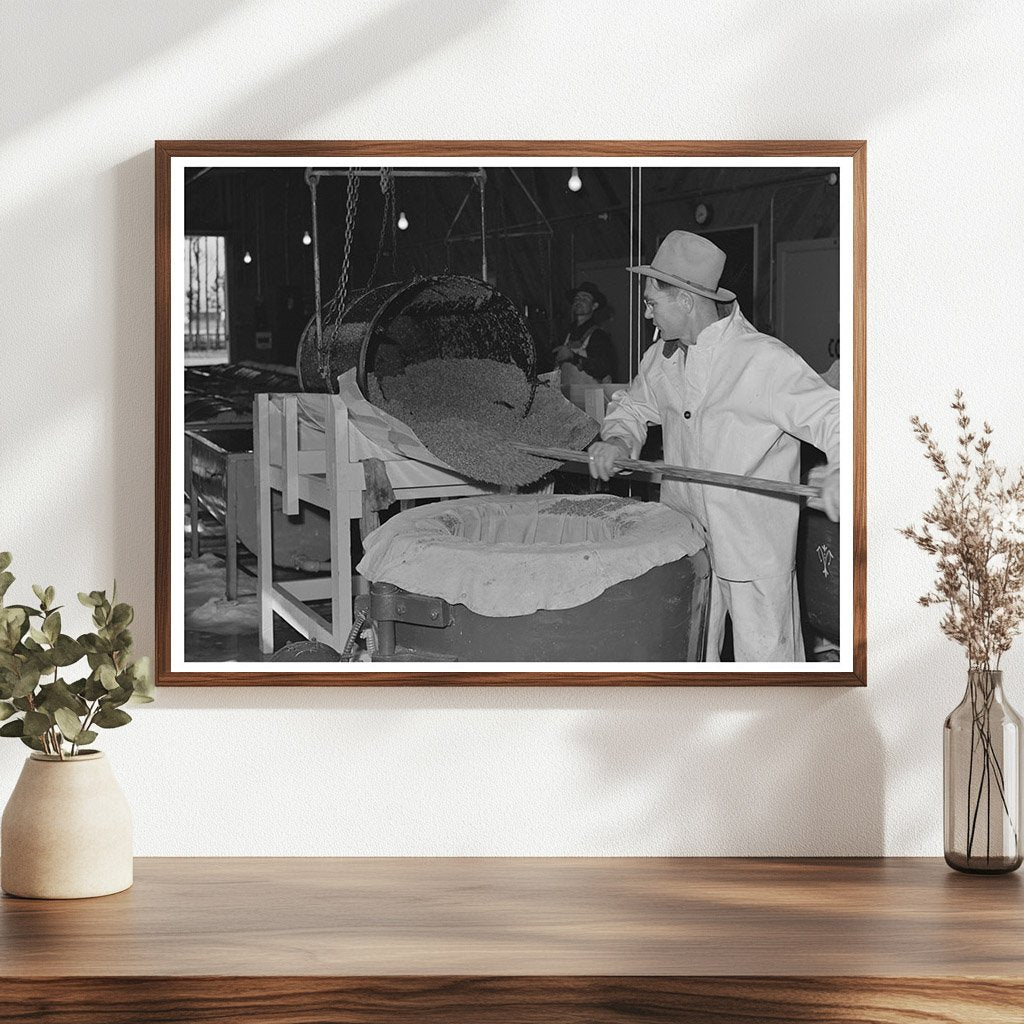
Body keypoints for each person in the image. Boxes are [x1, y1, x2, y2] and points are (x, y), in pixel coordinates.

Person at [587, 231, 840, 663]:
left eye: (653, 302)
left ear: (686, 299)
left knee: (769, 673)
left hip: (754, 548)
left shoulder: (763, 360)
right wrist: (616, 438)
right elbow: (632, 408)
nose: (648, 314)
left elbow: (836, 417)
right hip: (688, 541)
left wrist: (841, 469)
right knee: (693, 662)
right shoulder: (662, 358)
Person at [552, 282, 618, 386]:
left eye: (584, 299)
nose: (579, 301)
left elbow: (603, 368)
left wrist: (573, 357)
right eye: (577, 298)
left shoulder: (598, 335)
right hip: (566, 396)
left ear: (594, 306)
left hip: (589, 398)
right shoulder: (566, 332)